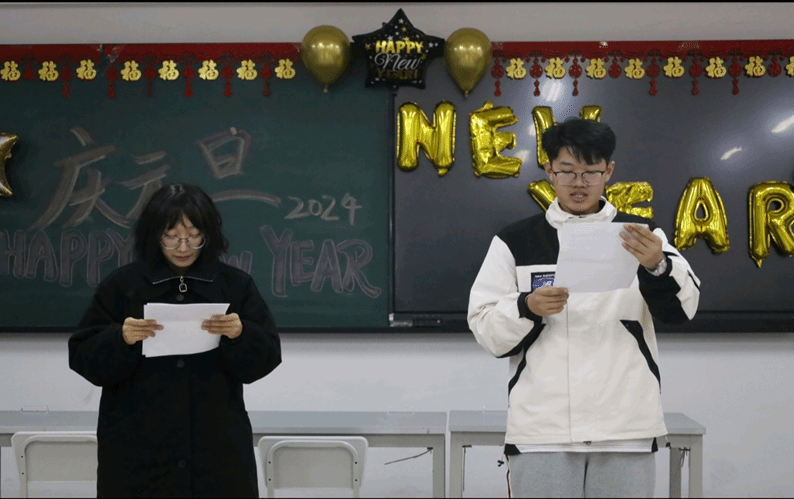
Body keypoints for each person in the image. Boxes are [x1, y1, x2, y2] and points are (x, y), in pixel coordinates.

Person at [467, 119, 700, 498]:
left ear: (608, 171)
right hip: (544, 430)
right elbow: (485, 328)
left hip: (625, 427)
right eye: (567, 172)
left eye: (591, 172)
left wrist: (658, 265)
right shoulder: (516, 240)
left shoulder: (642, 236)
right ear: (549, 171)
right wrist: (527, 307)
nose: (579, 183)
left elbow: (683, 309)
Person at [68, 183, 281, 498]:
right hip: (137, 453)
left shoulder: (234, 285)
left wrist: (241, 334)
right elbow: (81, 355)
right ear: (154, 235)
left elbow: (267, 358)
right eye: (171, 237)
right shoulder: (122, 285)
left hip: (216, 454)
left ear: (208, 234)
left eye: (194, 236)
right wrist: (120, 338)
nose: (183, 247)